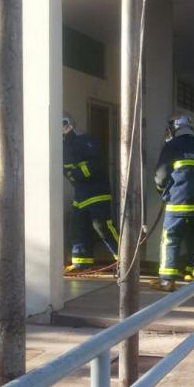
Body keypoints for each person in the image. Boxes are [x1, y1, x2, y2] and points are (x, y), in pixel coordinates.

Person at [151, 115, 194, 291]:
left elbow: (161, 175)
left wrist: (163, 191)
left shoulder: (171, 146)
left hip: (178, 203)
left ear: (173, 129)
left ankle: (167, 281)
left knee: (170, 239)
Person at [62, 112, 120, 273]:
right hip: (80, 194)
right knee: (79, 227)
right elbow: (67, 169)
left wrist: (77, 174)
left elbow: (96, 163)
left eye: (64, 123)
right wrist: (71, 176)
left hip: (97, 192)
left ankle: (124, 259)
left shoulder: (87, 141)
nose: (62, 128)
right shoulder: (64, 145)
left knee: (103, 227)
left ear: (70, 123)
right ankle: (81, 262)